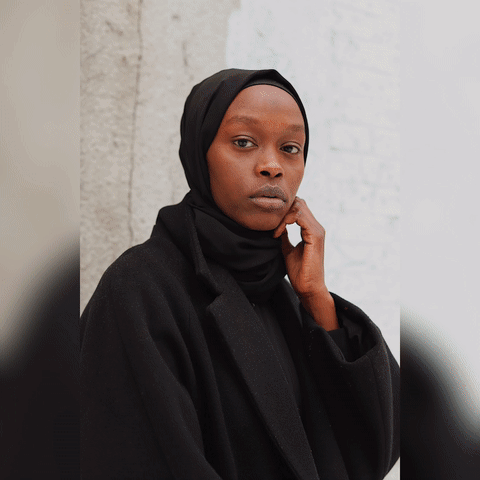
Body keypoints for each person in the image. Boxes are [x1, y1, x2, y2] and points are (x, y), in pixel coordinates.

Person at [80, 68, 399, 479]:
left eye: (290, 148)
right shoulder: (139, 292)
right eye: (244, 142)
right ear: (200, 153)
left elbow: (372, 452)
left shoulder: (287, 298)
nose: (272, 166)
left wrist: (317, 300)